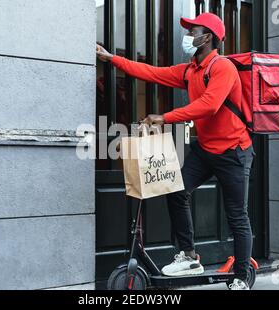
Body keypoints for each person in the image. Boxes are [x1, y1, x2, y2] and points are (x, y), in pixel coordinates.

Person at [96, 12, 255, 290]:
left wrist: (165, 117)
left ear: (207, 37)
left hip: (234, 151)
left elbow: (209, 105)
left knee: (237, 216)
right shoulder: (190, 70)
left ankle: (241, 275)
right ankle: (190, 255)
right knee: (177, 191)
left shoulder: (222, 68)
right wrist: (112, 59)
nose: (188, 36)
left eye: (193, 31)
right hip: (206, 150)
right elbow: (152, 72)